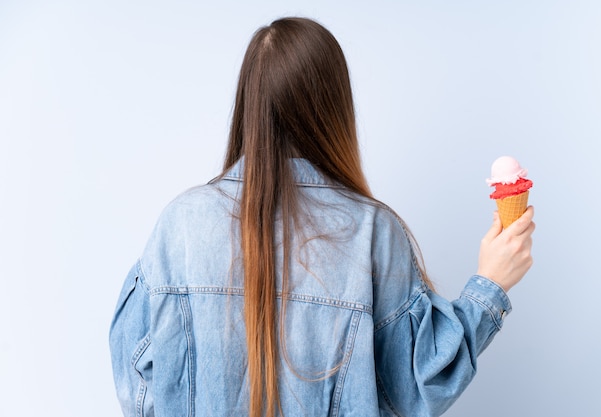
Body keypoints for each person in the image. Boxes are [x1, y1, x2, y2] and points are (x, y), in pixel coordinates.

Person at [109, 17, 535, 417]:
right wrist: (490, 285)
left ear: (247, 104)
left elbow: (139, 384)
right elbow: (417, 387)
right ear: (332, 108)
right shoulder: (371, 231)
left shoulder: (179, 224)